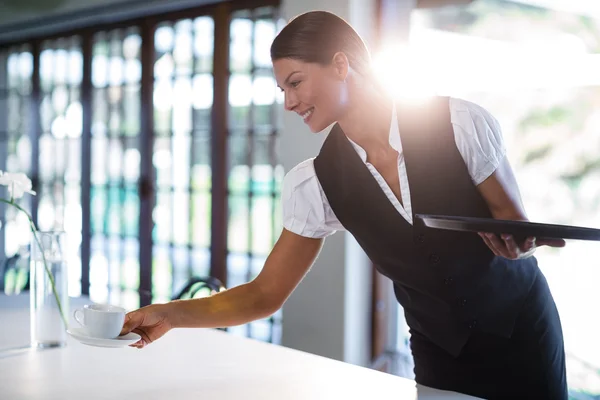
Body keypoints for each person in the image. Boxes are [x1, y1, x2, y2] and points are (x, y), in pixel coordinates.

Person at [120, 11, 568, 400]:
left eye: (295, 82)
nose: (289, 102)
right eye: (282, 90)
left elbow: (515, 227)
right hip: (439, 351)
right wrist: (170, 315)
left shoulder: (460, 124)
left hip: (521, 332)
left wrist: (518, 244)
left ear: (340, 64)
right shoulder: (316, 182)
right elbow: (264, 294)